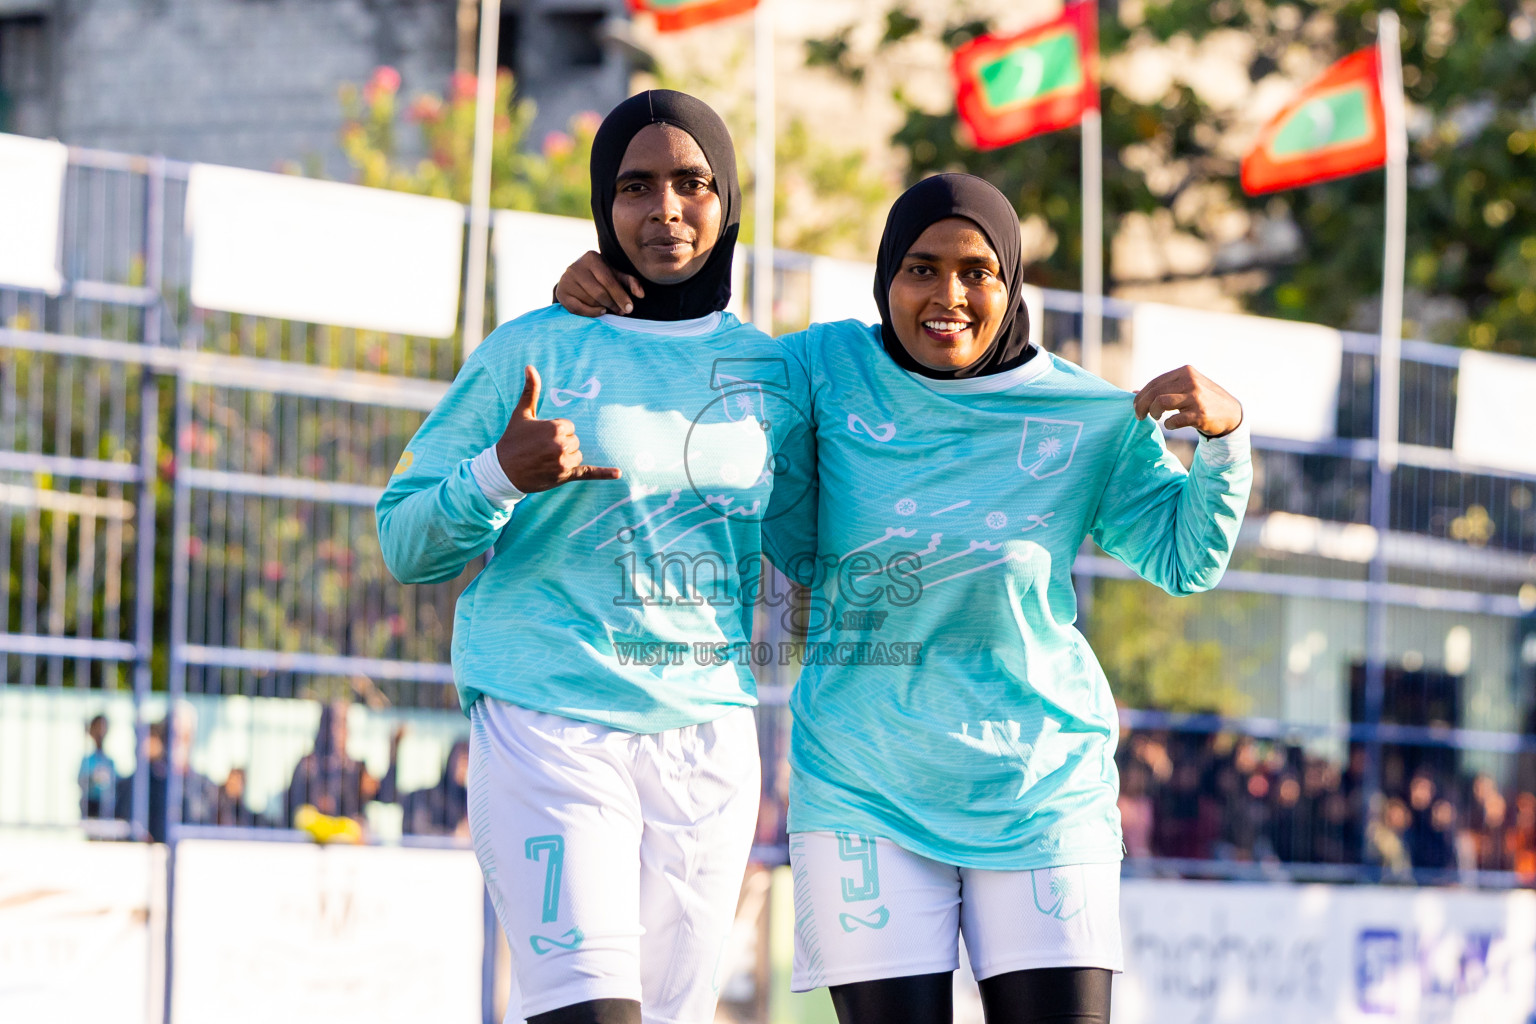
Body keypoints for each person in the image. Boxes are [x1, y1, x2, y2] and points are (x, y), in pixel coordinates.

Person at [555, 172, 1251, 1024]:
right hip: (862, 788)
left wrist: (1225, 442)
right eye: (920, 268)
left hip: (1038, 792)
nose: (946, 296)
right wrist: (605, 293)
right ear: (885, 279)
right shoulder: (822, 366)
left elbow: (1185, 560)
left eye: (976, 271)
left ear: (1012, 283)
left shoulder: (1084, 414)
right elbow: (699, 355)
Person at [378, 90, 814, 1024]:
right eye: (634, 186)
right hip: (551, 725)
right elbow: (403, 538)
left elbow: (812, 552)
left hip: (708, 741)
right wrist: (498, 475)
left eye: (691, 183)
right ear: (601, 207)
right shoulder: (534, 347)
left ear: (727, 200)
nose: (664, 209)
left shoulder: (777, 373)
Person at [286, 700, 377, 827]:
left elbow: (386, 796)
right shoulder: (307, 766)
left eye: (346, 724)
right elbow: (295, 811)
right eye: (340, 724)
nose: (345, 731)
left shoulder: (356, 767)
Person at [78, 713, 119, 819]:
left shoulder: (110, 761)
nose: (100, 732)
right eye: (97, 728)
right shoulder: (87, 760)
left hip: (108, 806)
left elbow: (117, 783)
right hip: (91, 805)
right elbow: (80, 782)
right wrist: (93, 778)